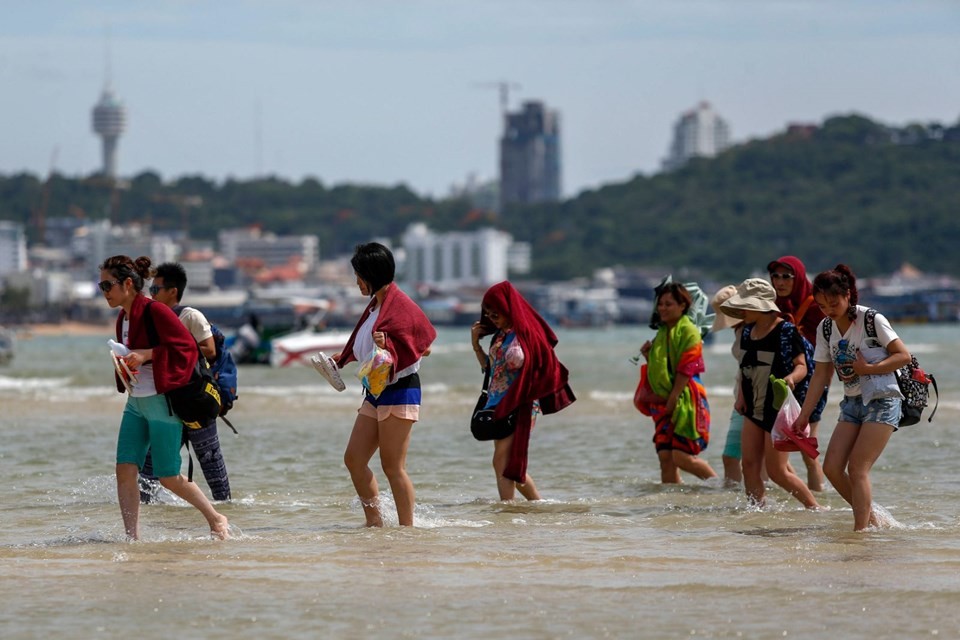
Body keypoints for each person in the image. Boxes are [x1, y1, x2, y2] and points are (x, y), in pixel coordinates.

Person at [99, 255, 229, 540]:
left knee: (169, 477)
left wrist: (145, 354)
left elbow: (187, 348)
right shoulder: (122, 317)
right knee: (124, 468)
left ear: (128, 283)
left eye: (107, 285)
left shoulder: (155, 311)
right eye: (101, 286)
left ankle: (216, 518)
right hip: (136, 403)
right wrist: (123, 364)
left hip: (163, 403)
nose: (104, 292)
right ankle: (132, 538)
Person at [791, 264, 910, 531]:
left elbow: (903, 356)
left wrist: (868, 369)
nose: (829, 310)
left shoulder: (871, 320)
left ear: (848, 295)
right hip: (852, 402)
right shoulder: (825, 329)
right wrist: (803, 415)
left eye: (834, 303)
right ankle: (871, 517)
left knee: (857, 469)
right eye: (822, 306)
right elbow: (821, 376)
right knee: (832, 468)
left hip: (884, 399)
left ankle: (860, 533)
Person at [332, 243, 437, 527]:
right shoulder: (376, 305)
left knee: (392, 467)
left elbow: (423, 345)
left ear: (371, 274)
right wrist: (344, 357)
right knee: (354, 459)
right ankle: (375, 524)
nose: (356, 282)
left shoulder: (401, 305)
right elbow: (368, 345)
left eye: (358, 275)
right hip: (376, 390)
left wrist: (389, 343)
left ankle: (406, 529)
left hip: (401, 389)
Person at [470, 281, 576, 501]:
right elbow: (490, 370)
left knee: (501, 461)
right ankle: (537, 504)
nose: (491, 317)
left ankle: (507, 511)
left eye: (495, 312)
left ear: (507, 307)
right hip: (496, 403)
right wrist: (476, 346)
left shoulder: (527, 334)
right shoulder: (498, 335)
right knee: (510, 464)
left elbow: (544, 366)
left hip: (520, 402)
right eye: (488, 313)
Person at [720, 278, 820, 509]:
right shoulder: (747, 332)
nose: (741, 312)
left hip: (777, 408)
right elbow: (745, 369)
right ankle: (757, 510)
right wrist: (741, 398)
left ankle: (814, 507)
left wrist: (791, 379)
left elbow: (802, 366)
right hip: (753, 407)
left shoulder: (785, 330)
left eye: (744, 307)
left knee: (777, 471)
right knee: (749, 465)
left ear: (760, 306)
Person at [140, 262, 231, 502]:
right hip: (169, 402)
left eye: (156, 289)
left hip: (195, 400)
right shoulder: (155, 319)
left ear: (173, 291)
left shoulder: (190, 316)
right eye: (151, 289)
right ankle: (142, 510)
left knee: (212, 466)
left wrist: (173, 348)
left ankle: (226, 513)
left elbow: (209, 350)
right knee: (151, 465)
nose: (152, 294)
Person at [636, 282, 717, 483]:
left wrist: (673, 398)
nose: (662, 308)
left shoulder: (689, 331)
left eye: (668, 304)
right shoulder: (662, 333)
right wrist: (648, 356)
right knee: (665, 457)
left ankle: (720, 488)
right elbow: (663, 369)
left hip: (686, 399)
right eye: (660, 304)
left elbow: (687, 368)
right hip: (662, 400)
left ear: (683, 306)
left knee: (682, 456)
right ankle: (671, 505)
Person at [768, 256, 827, 491]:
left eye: (786, 276)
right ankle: (799, 496)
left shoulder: (815, 305)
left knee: (806, 449)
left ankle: (817, 499)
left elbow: (826, 345)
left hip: (811, 381)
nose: (780, 282)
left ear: (799, 278)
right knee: (779, 443)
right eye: (775, 276)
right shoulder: (772, 306)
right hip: (781, 382)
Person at [710, 285, 746, 486]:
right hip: (741, 398)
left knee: (732, 456)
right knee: (762, 459)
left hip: (748, 400)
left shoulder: (748, 331)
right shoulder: (742, 329)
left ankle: (737, 497)